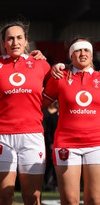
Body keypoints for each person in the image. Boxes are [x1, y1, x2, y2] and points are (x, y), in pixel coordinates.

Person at [0, 20, 51, 205]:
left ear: (26, 41)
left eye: (19, 38)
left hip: (32, 136)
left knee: (32, 198)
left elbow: (60, 89)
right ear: (3, 42)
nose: (15, 42)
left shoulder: (41, 65)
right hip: (2, 136)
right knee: (3, 198)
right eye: (10, 39)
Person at [42, 38, 100, 204]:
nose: (82, 53)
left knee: (95, 200)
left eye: (86, 50)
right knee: (69, 200)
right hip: (67, 144)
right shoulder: (60, 77)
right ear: (70, 56)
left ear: (92, 54)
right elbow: (38, 103)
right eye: (78, 50)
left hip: (96, 143)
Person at [41, 101, 58, 191]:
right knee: (46, 164)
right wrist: (50, 141)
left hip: (57, 141)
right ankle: (47, 183)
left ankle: (54, 183)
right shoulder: (44, 111)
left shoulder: (58, 113)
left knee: (55, 163)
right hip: (46, 141)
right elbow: (45, 129)